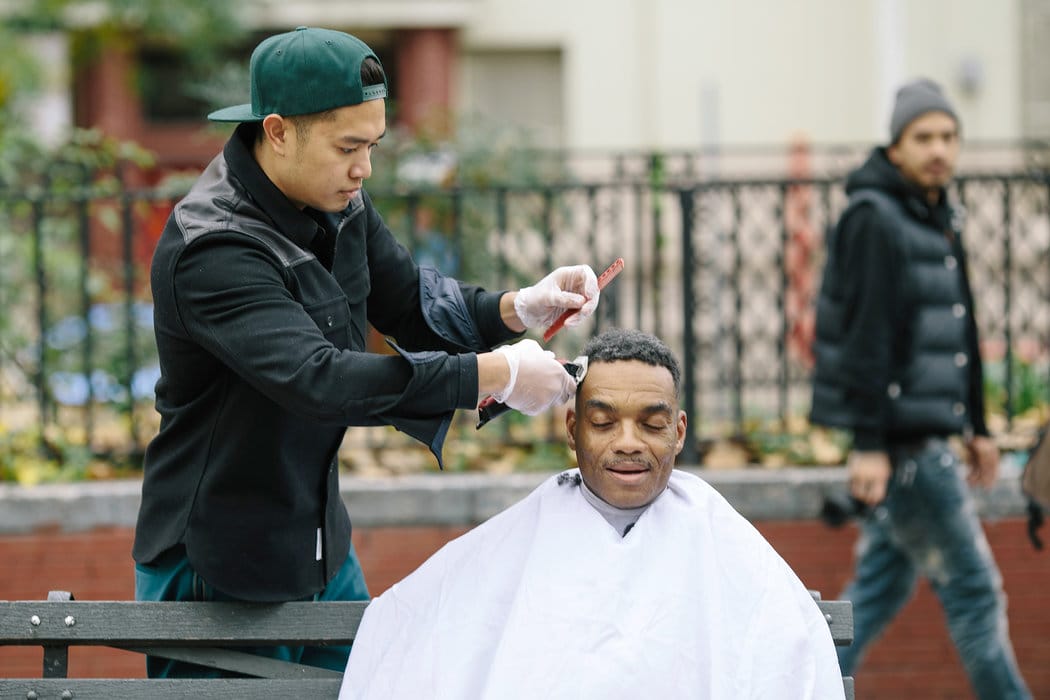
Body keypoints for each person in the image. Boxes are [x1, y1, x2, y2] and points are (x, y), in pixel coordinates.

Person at [132, 26, 601, 677]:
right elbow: (319, 380)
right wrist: (496, 374)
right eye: (348, 147)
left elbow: (411, 302)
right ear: (278, 132)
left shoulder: (337, 197)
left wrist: (520, 306)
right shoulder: (213, 246)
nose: (365, 169)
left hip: (320, 545)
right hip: (217, 564)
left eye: (372, 145)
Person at [340, 329, 845, 699]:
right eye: (603, 422)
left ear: (679, 432)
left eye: (651, 425)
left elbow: (786, 656)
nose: (628, 443)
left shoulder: (723, 537)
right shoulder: (521, 537)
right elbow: (415, 630)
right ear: (572, 428)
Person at [810, 78, 1031, 699]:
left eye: (949, 136)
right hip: (907, 447)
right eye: (924, 137)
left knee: (878, 590)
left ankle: (793, 682)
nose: (939, 149)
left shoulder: (931, 215)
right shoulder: (875, 218)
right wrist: (868, 443)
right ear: (896, 147)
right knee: (974, 592)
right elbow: (866, 337)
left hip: (924, 437)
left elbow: (959, 327)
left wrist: (977, 426)